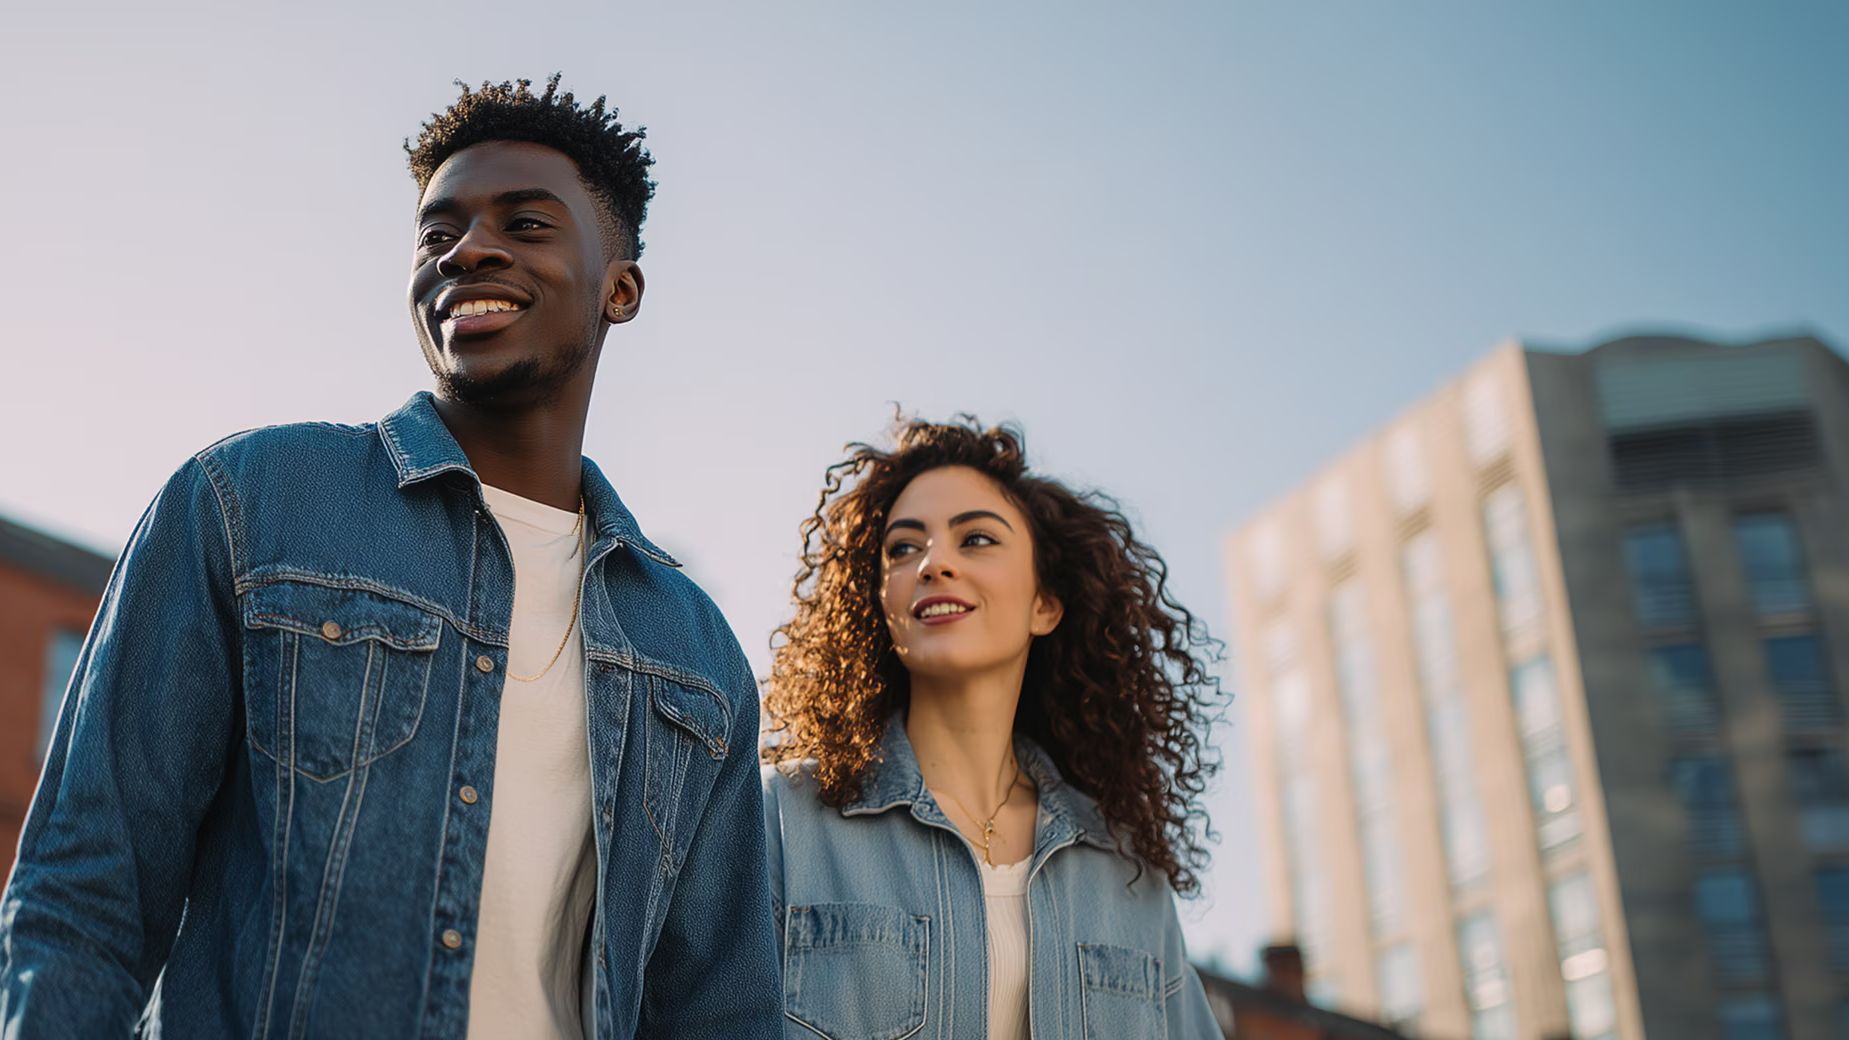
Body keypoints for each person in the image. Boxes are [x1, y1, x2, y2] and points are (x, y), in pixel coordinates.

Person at [0, 76, 780, 1039]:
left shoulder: (695, 649)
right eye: (436, 231)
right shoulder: (250, 504)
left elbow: (722, 1010)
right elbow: (85, 898)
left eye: (526, 223)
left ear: (619, 288)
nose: (468, 249)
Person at [761, 416, 1226, 1039]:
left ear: (1046, 604)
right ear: (877, 601)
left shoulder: (1125, 872)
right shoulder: (782, 821)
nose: (933, 564)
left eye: (975, 539)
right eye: (903, 548)